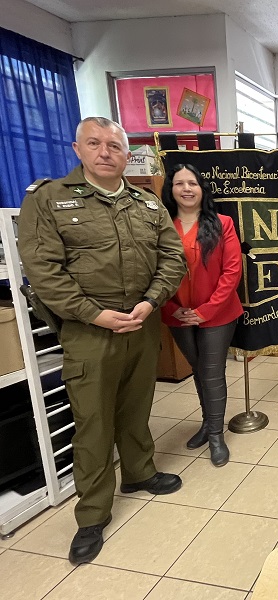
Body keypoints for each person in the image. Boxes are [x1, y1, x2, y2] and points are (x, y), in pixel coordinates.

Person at [17, 117, 186, 565]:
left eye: (114, 145)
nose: (105, 152)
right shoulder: (49, 200)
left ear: (128, 154)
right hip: (89, 328)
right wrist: (95, 314)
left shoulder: (147, 202)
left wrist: (150, 302)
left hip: (142, 320)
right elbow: (43, 271)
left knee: (136, 406)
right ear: (78, 149)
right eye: (94, 143)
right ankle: (92, 514)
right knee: (93, 422)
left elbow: (172, 257)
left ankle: (139, 472)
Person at [160, 164, 244, 466]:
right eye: (179, 183)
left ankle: (216, 436)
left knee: (212, 372)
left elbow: (232, 272)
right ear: (170, 189)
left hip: (217, 314)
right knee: (198, 369)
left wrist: (205, 311)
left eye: (192, 183)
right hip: (178, 313)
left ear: (202, 188)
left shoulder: (222, 223)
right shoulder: (161, 225)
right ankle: (208, 424)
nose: (186, 189)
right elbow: (151, 272)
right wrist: (171, 308)